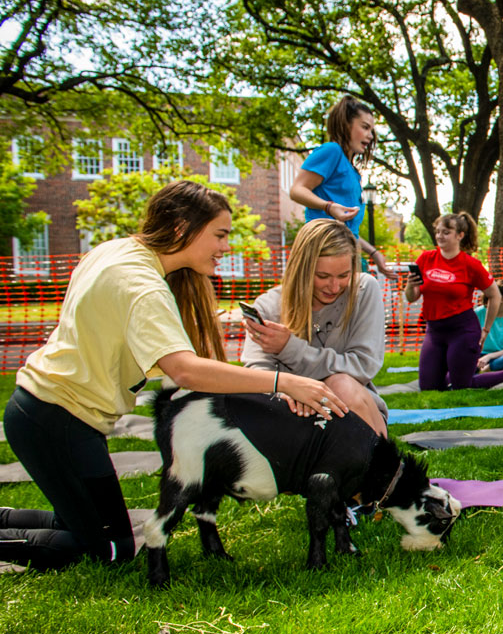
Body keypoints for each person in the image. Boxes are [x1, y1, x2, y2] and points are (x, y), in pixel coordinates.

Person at [1, 181, 346, 570]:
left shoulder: (121, 251)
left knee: (83, 525)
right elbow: (184, 370)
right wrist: (285, 382)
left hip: (47, 413)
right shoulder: (142, 286)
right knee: (107, 551)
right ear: (182, 228)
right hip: (56, 419)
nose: (225, 247)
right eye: (219, 235)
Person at [240, 218, 388, 436]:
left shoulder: (364, 289)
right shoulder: (268, 306)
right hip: (290, 411)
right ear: (302, 269)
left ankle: (383, 466)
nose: (335, 286)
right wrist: (290, 391)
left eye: (344, 275)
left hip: (352, 407)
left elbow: (363, 366)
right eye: (323, 276)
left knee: (341, 384)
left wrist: (289, 348)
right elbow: (257, 373)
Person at [407, 212, 503, 391]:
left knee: (462, 385)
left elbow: (495, 295)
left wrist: (486, 329)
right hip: (434, 331)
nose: (439, 236)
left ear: (460, 235)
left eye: (446, 232)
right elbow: (411, 297)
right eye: (438, 232)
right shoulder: (426, 258)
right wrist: (409, 285)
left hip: (462, 331)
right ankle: (465, 367)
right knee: (428, 387)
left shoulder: (470, 264)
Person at [289, 95, 398, 280]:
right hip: (325, 252)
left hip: (347, 252)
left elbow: (349, 230)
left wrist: (373, 253)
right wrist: (329, 207)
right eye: (365, 127)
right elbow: (297, 189)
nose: (371, 136)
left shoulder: (353, 172)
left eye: (372, 130)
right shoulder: (331, 151)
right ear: (346, 125)